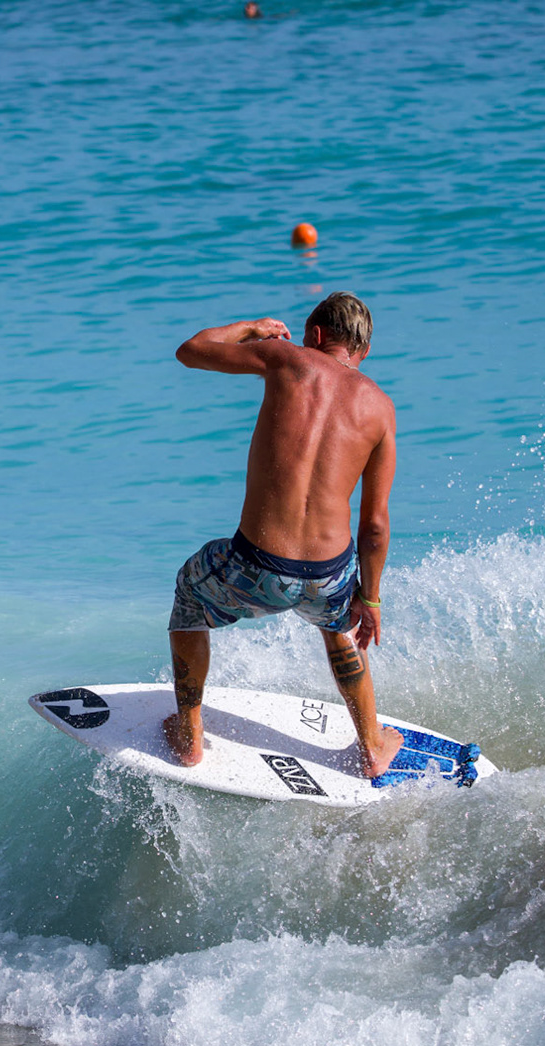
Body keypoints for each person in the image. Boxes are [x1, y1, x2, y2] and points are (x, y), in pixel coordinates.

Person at [164, 292, 403, 778]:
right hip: (329, 577)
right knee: (339, 624)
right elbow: (374, 525)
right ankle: (372, 745)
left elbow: (191, 349)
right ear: (364, 352)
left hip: (253, 568)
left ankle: (190, 736)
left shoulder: (284, 358)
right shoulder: (381, 408)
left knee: (190, 589)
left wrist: (252, 326)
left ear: (314, 335)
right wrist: (370, 600)